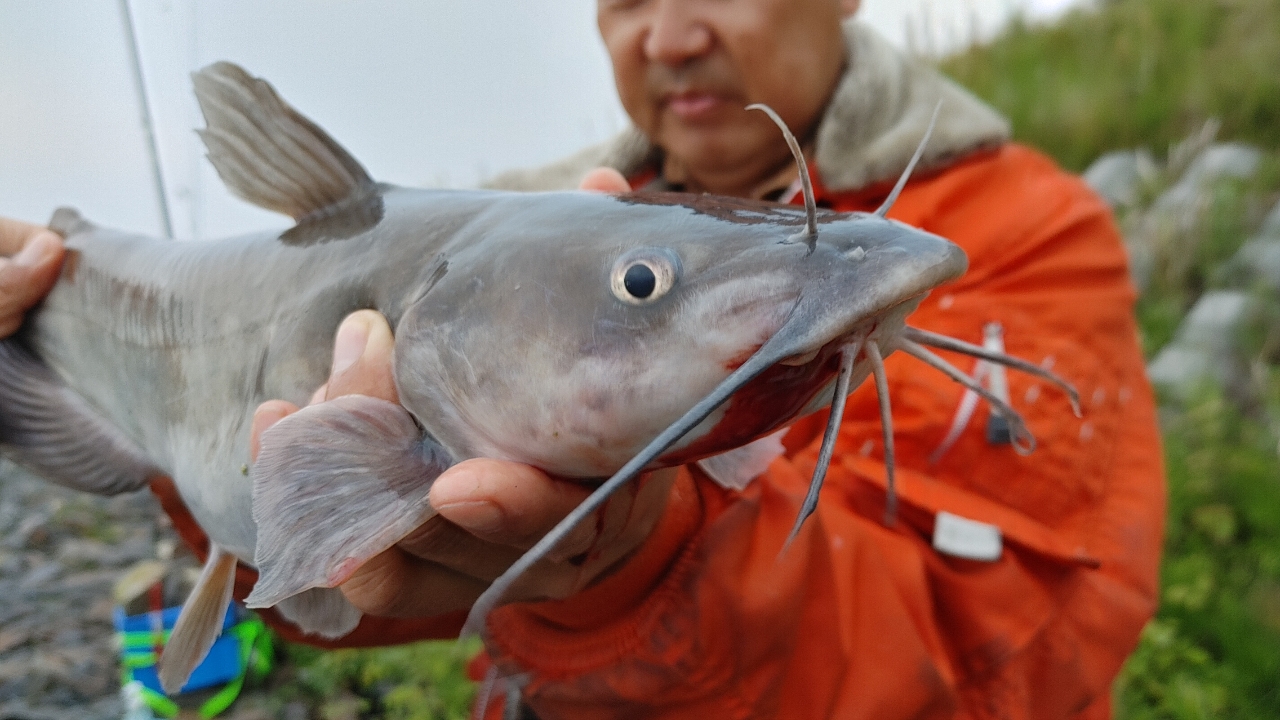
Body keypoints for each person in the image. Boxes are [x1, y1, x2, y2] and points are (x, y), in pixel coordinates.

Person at [1, 1, 1165, 717]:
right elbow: (336, 596)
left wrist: (640, 565)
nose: (667, 33)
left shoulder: (1027, 235)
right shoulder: (539, 220)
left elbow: (1005, 663)